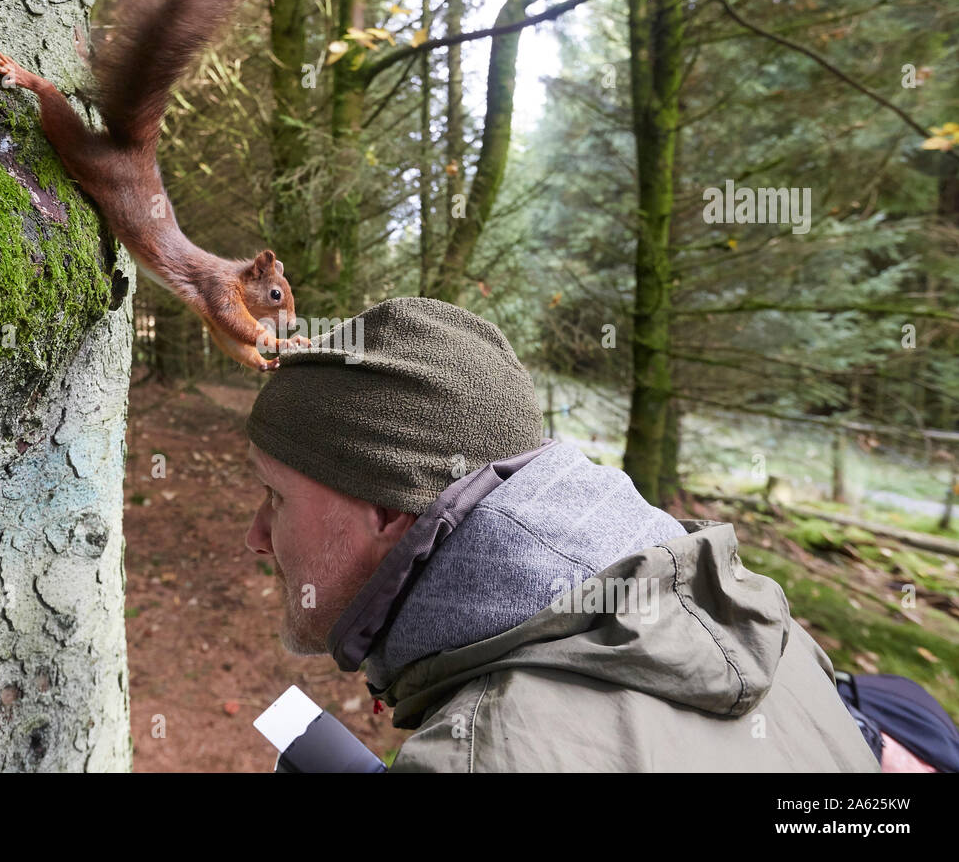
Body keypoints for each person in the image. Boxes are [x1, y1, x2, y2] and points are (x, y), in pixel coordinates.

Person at [243, 297, 880, 772]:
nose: (257, 535)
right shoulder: (759, 621)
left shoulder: (480, 755)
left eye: (275, 495)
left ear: (383, 510)